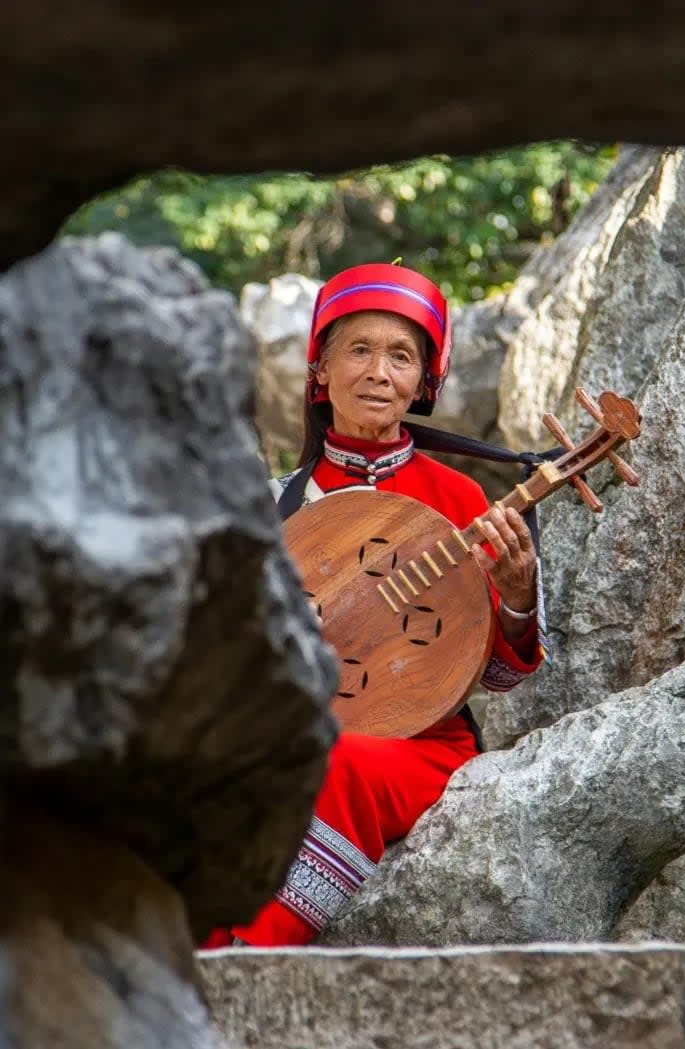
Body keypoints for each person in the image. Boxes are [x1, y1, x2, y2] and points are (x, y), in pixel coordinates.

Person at [203, 263, 543, 947]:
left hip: (419, 741)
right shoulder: (277, 507)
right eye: (358, 349)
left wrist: (516, 595)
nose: (379, 372)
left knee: (343, 759)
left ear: (425, 381)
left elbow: (504, 678)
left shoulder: (463, 502)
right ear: (321, 371)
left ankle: (248, 956)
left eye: (400, 356)